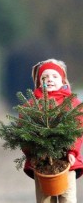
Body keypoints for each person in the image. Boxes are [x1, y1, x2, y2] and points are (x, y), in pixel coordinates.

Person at [23, 58, 83, 203]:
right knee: (45, 199)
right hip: (41, 163)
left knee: (67, 198)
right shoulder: (32, 105)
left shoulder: (72, 103)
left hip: (66, 161)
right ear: (39, 82)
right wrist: (34, 153)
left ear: (62, 81)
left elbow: (78, 129)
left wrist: (72, 151)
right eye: (45, 77)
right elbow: (24, 132)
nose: (49, 80)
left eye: (54, 76)